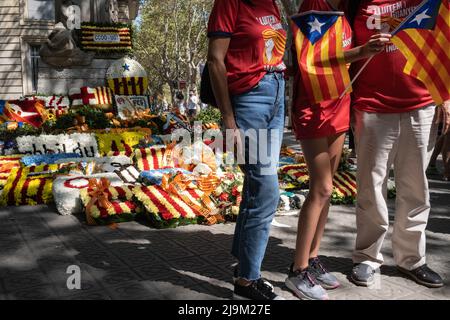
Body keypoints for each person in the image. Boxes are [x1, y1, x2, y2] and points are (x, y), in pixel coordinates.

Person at [286, 0, 391, 300]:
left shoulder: (346, 9)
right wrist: (361, 51)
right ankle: (298, 270)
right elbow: (312, 58)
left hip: (339, 104)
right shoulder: (313, 5)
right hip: (313, 107)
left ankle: (313, 259)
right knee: (321, 188)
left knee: (328, 191)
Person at [348, 0, 449, 288]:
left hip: (422, 105)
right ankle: (366, 257)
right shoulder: (357, 3)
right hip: (372, 108)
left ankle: (412, 260)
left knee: (416, 188)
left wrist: (446, 98)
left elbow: (445, 42)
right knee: (370, 185)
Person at [207, 0, 287, 300]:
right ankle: (247, 281)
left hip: (277, 94)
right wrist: (228, 119)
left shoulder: (273, 4)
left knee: (257, 185)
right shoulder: (230, 3)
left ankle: (243, 265)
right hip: (248, 101)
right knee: (267, 189)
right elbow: (215, 60)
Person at [428, 111, 450, 181]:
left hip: (443, 105)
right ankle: (447, 172)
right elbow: (436, 99)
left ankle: (431, 163)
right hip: (445, 105)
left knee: (445, 135)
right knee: (448, 136)